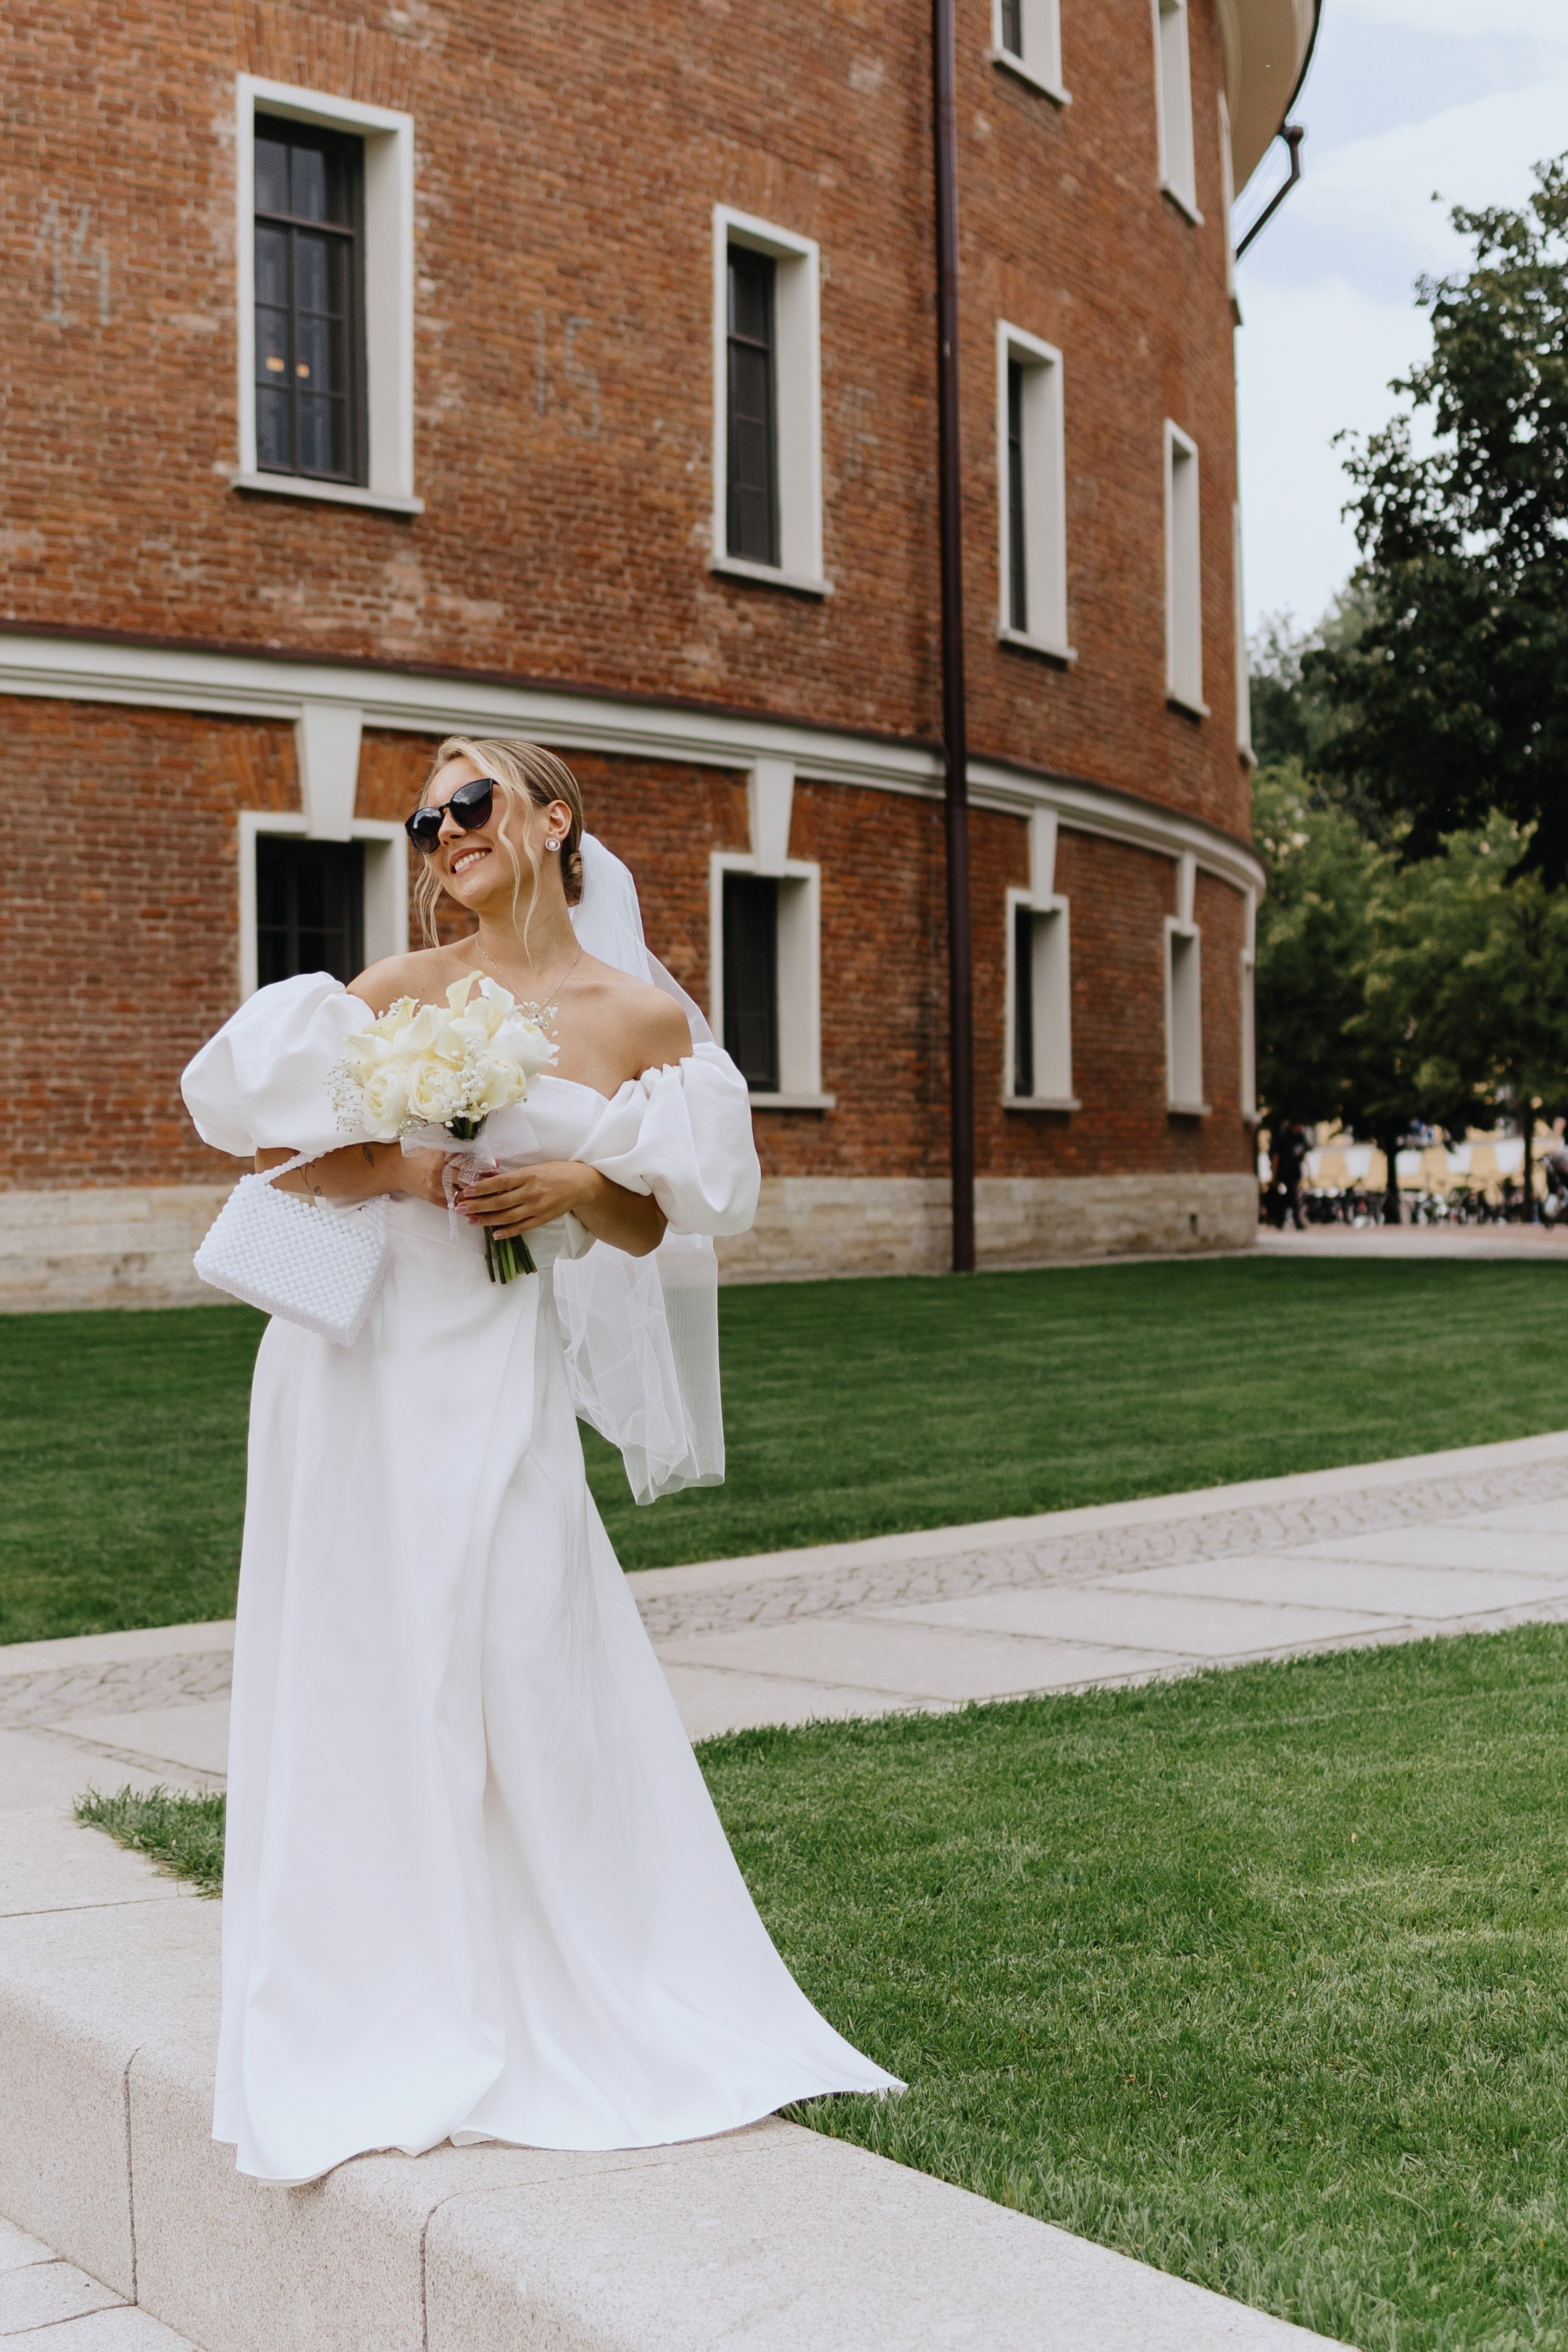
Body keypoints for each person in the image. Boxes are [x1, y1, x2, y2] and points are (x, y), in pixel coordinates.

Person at [181, 736, 899, 2187]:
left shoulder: (639, 1020)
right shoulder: (392, 992)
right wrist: (400, 1164)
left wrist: (575, 1180)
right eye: (424, 815)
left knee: (519, 1643)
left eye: (471, 801)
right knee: (375, 1666)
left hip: (502, 1364)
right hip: (362, 1365)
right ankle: (389, 1989)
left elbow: (659, 1221)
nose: (441, 829)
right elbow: (274, 1160)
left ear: (552, 820)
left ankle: (580, 1976)